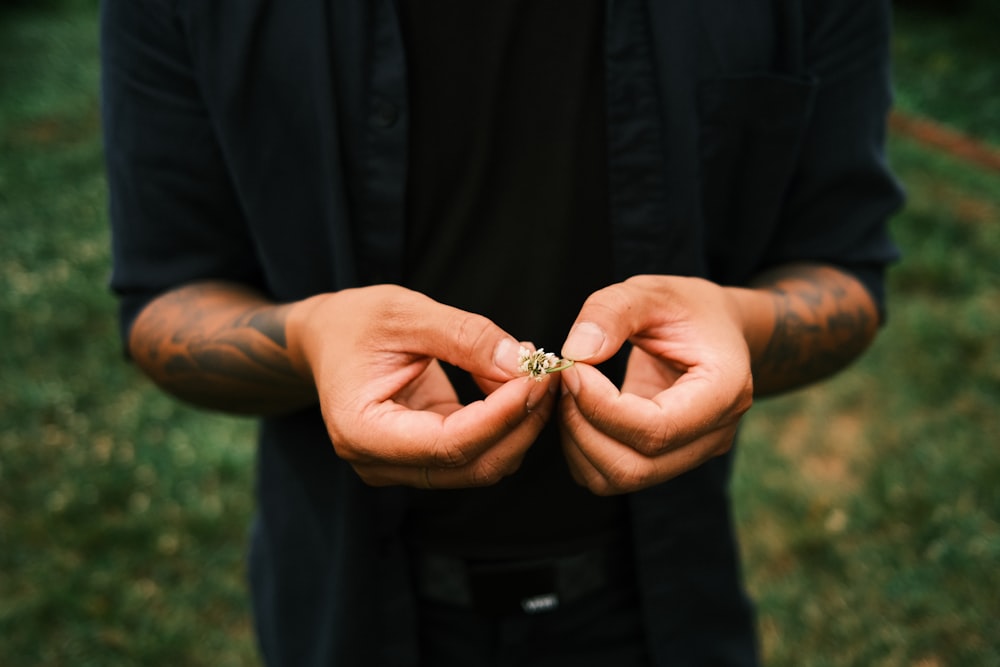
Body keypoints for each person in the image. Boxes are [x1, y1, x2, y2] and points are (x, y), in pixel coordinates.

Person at [100, 0, 902, 665]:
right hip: (348, 607)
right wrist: (311, 338)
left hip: (664, 604)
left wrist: (743, 324)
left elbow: (842, 270)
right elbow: (165, 299)